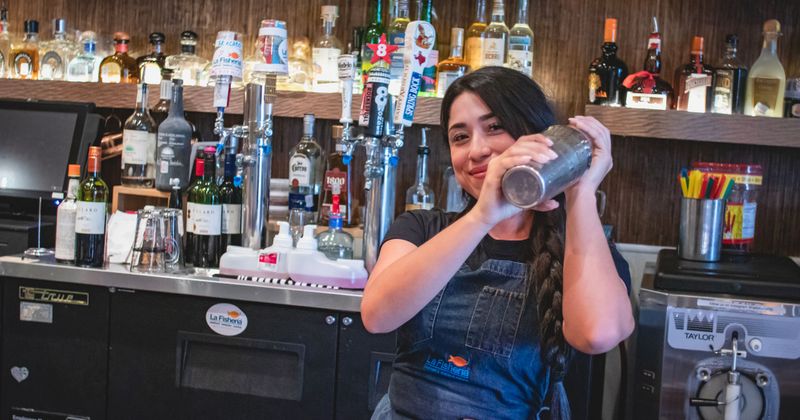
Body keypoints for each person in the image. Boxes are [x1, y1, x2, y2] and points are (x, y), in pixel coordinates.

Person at [362, 67, 635, 420]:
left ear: (537, 136)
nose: (476, 150)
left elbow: (596, 335)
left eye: (494, 127)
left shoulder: (581, 250)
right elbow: (377, 315)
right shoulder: (420, 227)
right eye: (460, 137)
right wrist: (483, 216)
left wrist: (580, 191)